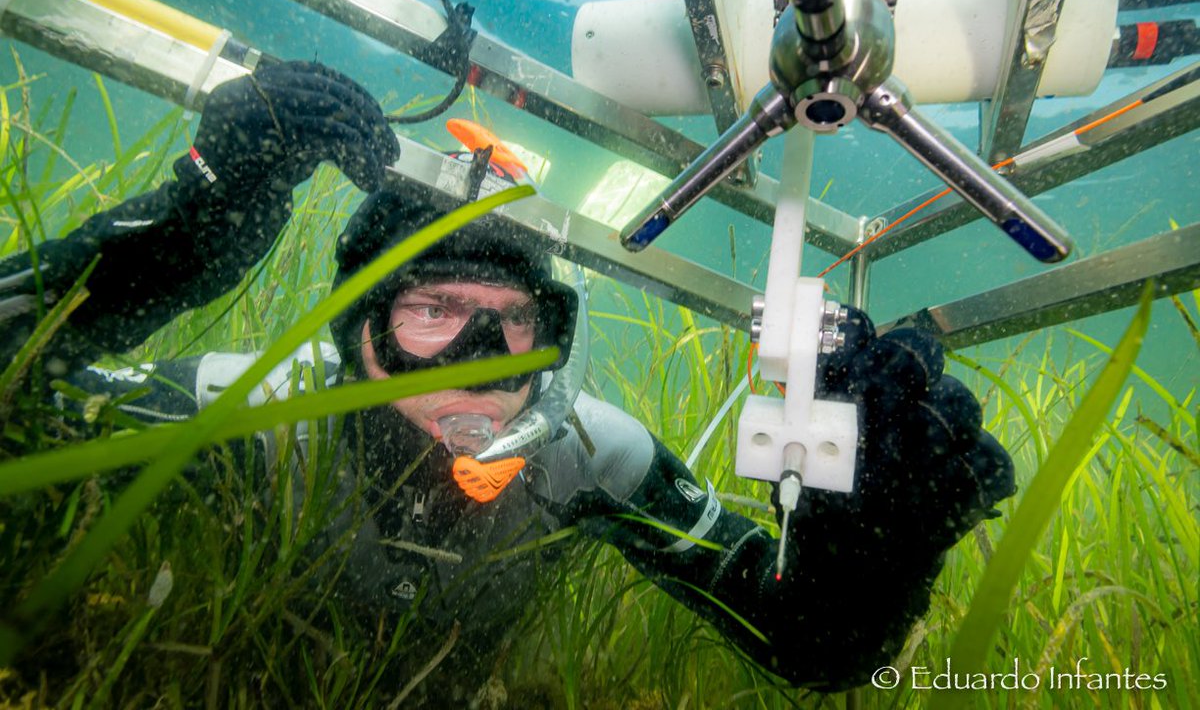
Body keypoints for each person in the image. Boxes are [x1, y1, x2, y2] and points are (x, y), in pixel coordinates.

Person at [0, 62, 1015, 701]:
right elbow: (16, 412)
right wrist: (171, 244)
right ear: (357, 330)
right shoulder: (252, 415)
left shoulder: (590, 457)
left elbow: (808, 642)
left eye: (515, 323)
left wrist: (876, 551)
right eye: (432, 313)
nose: (482, 369)